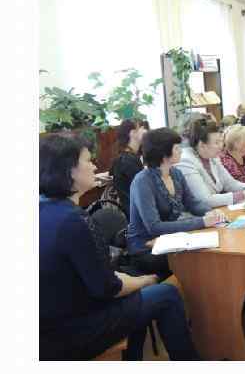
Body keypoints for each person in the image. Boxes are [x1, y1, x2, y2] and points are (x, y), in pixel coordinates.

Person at [40, 133, 199, 360]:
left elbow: (96, 276)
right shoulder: (74, 220)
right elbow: (108, 288)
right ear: (69, 170)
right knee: (166, 293)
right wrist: (147, 280)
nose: (95, 166)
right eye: (88, 160)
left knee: (136, 300)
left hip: (49, 326)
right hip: (71, 331)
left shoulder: (45, 208)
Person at [126, 128, 227, 278]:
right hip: (145, 247)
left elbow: (192, 203)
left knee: (213, 251)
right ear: (163, 153)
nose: (181, 151)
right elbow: (154, 227)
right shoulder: (143, 181)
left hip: (170, 239)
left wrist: (210, 212)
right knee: (200, 260)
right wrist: (202, 221)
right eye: (177, 148)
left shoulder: (175, 173)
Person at [175, 119, 245, 208]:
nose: (221, 146)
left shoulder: (213, 157)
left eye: (221, 141)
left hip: (215, 211)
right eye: (216, 142)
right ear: (202, 145)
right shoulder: (186, 161)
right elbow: (205, 200)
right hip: (198, 214)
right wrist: (243, 194)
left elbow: (230, 183)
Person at [110, 119, 148, 214]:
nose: (145, 131)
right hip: (137, 214)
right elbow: (144, 192)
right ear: (132, 133)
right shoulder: (127, 161)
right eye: (141, 128)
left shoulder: (128, 157)